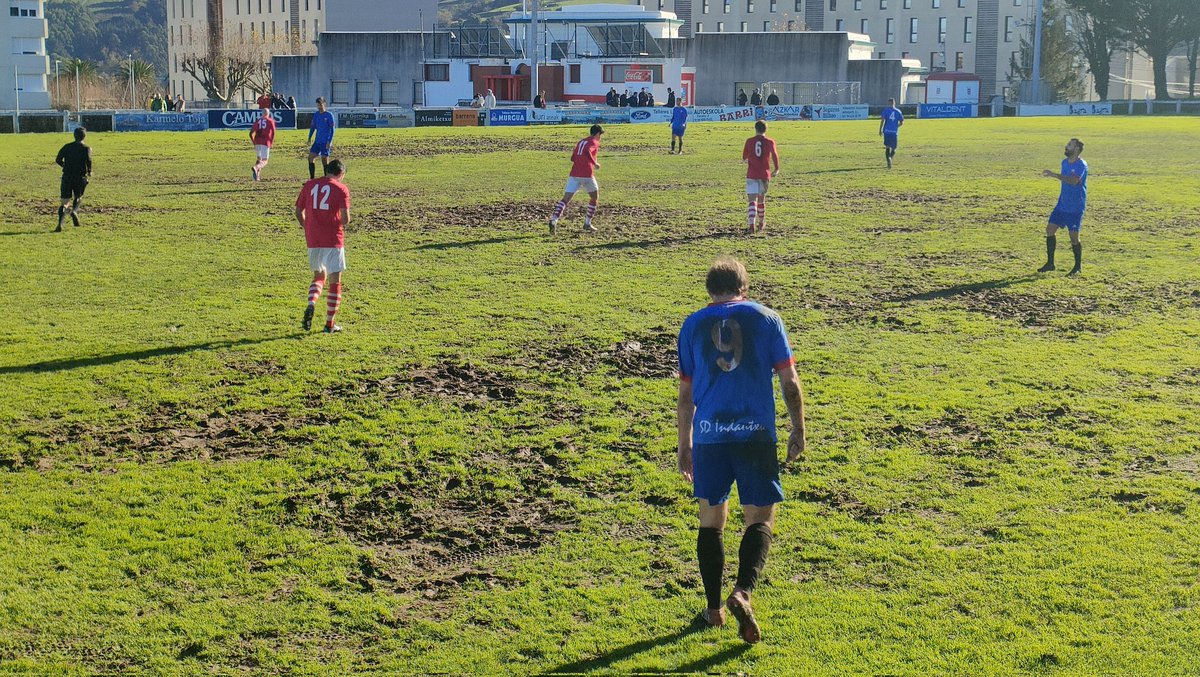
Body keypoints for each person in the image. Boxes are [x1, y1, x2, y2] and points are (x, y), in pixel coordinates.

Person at [677, 256, 806, 644]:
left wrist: (685, 446)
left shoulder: (691, 325)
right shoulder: (767, 319)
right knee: (761, 517)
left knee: (711, 519)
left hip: (710, 437)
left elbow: (685, 397)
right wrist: (798, 427)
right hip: (755, 434)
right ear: (744, 288)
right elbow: (790, 382)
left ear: (709, 291)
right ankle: (743, 592)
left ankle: (713, 609)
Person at [295, 159, 352, 333]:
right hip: (333, 238)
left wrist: (308, 227)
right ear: (341, 174)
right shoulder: (341, 189)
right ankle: (329, 324)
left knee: (319, 276)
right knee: (335, 281)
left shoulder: (310, 185)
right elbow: (346, 219)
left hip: (313, 239)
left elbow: (298, 211)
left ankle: (311, 303)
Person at [1038, 138, 1089, 276]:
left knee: (1073, 238)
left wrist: (1054, 175)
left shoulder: (1081, 165)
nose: (1066, 147)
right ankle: (1050, 264)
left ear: (1077, 149)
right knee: (1050, 230)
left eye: (1070, 145)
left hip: (1075, 208)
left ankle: (1077, 267)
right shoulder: (1064, 163)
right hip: (1062, 205)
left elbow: (1073, 181)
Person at [548, 124, 604, 235]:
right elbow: (587, 151)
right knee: (594, 197)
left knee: (565, 199)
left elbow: (572, 158)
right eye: (600, 135)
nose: (600, 137)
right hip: (587, 174)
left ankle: (554, 219)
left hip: (574, 174)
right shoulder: (594, 142)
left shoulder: (581, 142)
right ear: (597, 134)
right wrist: (595, 163)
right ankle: (587, 223)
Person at [742, 120, 779, 234]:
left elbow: (744, 157)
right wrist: (776, 169)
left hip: (752, 174)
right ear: (765, 129)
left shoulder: (749, 141)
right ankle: (761, 222)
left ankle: (751, 223)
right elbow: (775, 155)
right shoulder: (770, 141)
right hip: (764, 174)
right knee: (761, 199)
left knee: (752, 200)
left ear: (755, 129)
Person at [53, 126, 91, 232]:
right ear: (84, 136)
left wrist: (65, 166)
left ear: (74, 136)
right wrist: (89, 171)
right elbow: (88, 160)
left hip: (67, 176)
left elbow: (58, 159)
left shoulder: (67, 147)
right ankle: (74, 211)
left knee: (65, 201)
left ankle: (60, 224)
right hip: (80, 177)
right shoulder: (86, 148)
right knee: (78, 196)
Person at [307, 96, 336, 180]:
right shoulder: (316, 115)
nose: (319, 106)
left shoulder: (329, 115)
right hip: (317, 141)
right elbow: (313, 127)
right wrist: (309, 138)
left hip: (325, 141)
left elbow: (332, 129)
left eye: (320, 104)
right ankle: (312, 179)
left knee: (324, 159)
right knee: (310, 158)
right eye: (317, 105)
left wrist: (329, 141)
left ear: (324, 104)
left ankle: (327, 179)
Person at [250, 104, 276, 181]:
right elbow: (273, 132)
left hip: (257, 141)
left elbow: (251, 133)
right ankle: (256, 167)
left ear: (262, 114)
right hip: (265, 141)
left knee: (259, 159)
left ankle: (257, 176)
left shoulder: (258, 120)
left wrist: (254, 142)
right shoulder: (270, 121)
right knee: (265, 161)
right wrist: (271, 142)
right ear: (268, 114)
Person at [879, 97, 904, 169]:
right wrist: (896, 126)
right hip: (894, 132)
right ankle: (890, 159)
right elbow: (902, 122)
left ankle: (888, 160)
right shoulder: (898, 111)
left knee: (887, 147)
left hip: (886, 131)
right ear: (894, 103)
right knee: (894, 148)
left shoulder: (885, 111)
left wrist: (880, 130)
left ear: (888, 103)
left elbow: (882, 121)